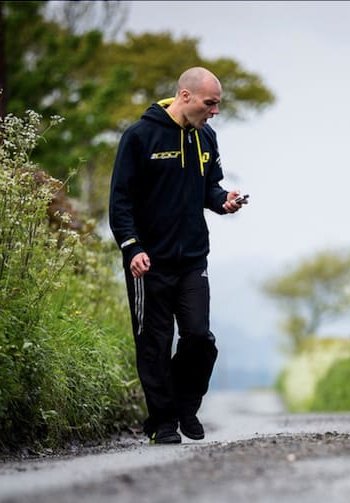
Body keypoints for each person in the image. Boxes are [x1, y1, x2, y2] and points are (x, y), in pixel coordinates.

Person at [109, 67, 248, 444]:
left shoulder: (206, 137)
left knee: (199, 338)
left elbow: (209, 188)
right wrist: (132, 247)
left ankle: (185, 406)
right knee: (154, 343)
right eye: (210, 103)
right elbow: (120, 202)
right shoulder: (140, 136)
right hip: (148, 262)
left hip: (192, 259)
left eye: (217, 104)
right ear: (185, 96)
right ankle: (163, 422)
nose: (215, 111)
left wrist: (224, 200)